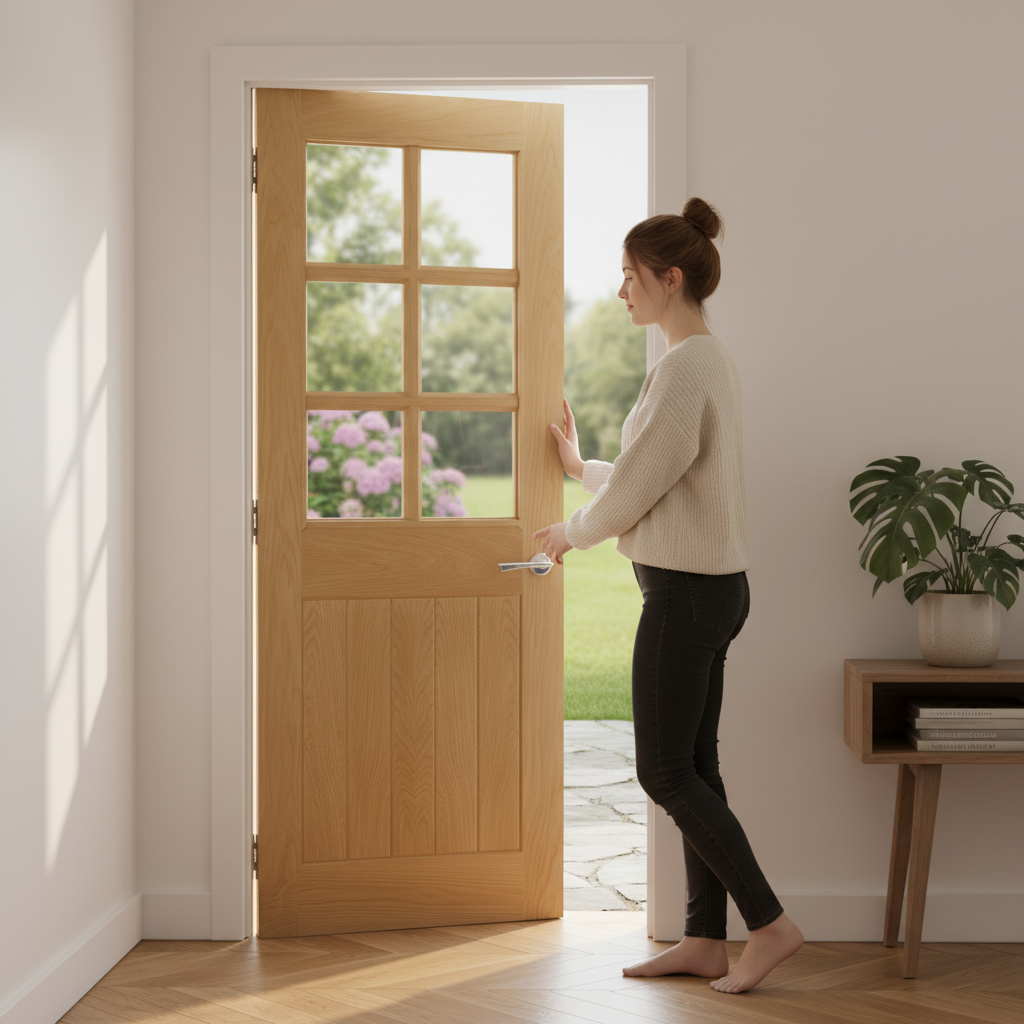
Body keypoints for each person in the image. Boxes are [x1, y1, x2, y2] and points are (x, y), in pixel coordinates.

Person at [533, 199, 803, 994]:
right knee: (695, 767)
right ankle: (703, 940)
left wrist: (569, 533)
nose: (620, 290)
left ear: (668, 277)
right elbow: (665, 478)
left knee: (663, 771)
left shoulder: (685, 366)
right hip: (713, 591)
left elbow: (642, 489)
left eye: (628, 274)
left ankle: (771, 924)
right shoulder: (705, 360)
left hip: (686, 598)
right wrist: (583, 468)